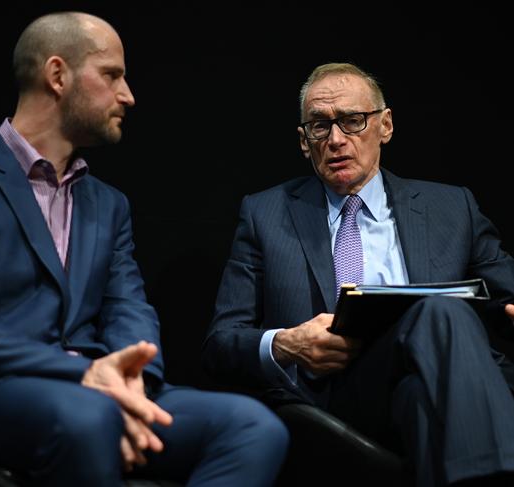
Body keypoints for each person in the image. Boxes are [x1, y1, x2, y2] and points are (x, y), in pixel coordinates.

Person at [0, 11, 289, 487]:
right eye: (112, 75)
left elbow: (130, 309)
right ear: (58, 75)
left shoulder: (108, 204)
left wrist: (130, 381)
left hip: (98, 394)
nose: (128, 95)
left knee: (252, 427)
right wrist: (83, 378)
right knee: (87, 419)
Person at [202, 62, 514, 487]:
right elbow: (221, 343)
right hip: (327, 395)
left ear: (385, 125)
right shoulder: (265, 214)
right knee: (442, 312)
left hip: (429, 386)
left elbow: (506, 291)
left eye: (352, 121)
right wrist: (287, 344)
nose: (335, 140)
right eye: (319, 126)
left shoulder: (451, 208)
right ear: (302, 140)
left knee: (422, 387)